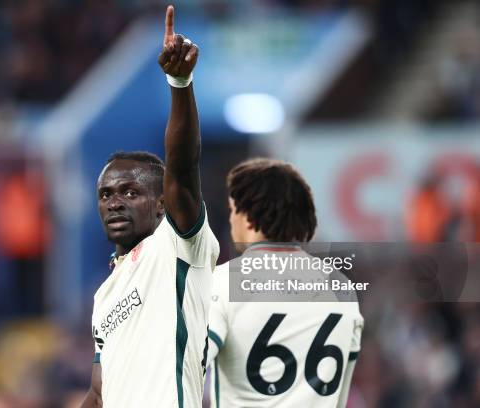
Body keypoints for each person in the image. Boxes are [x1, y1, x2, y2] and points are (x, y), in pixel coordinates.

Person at [81, 6, 219, 408]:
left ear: (162, 204)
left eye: (129, 192)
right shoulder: (105, 295)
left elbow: (182, 165)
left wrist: (179, 82)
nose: (114, 202)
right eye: (106, 195)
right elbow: (99, 391)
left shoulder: (176, 247)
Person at [207, 158, 364, 407]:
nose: (230, 219)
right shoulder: (341, 287)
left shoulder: (223, 281)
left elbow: (185, 369)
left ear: (248, 217)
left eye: (233, 210)